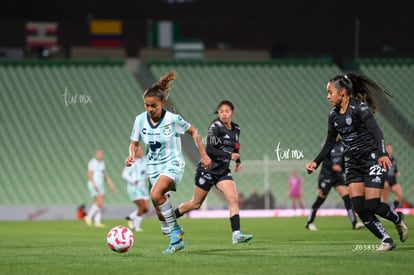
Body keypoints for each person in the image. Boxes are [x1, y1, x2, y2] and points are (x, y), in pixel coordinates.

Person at [305, 73, 408, 251]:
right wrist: (316, 162)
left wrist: (382, 153)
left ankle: (397, 219)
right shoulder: (333, 116)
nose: (328, 96)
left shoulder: (359, 108)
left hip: (371, 160)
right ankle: (386, 240)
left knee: (373, 204)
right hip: (353, 164)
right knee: (359, 207)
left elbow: (377, 132)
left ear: (342, 92)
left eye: (330, 92)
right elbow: (330, 141)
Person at [125, 71, 211, 254]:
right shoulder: (140, 120)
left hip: (173, 164)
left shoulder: (172, 119)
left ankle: (176, 231)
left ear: (162, 103)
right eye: (146, 105)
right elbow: (134, 143)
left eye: (153, 105)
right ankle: (175, 240)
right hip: (153, 167)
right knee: (159, 210)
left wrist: (203, 155)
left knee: (156, 194)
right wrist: (131, 155)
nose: (150, 109)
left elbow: (194, 132)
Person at [173, 100, 253, 244]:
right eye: (221, 111)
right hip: (207, 170)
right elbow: (210, 149)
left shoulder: (236, 128)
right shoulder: (215, 127)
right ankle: (172, 217)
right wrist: (229, 156)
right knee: (195, 204)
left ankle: (236, 234)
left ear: (232, 113)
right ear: (218, 113)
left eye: (226, 111)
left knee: (234, 199)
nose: (224, 114)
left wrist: (238, 161)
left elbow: (236, 146)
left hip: (222, 172)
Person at [305, 136, 364, 231]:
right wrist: (332, 166)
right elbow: (324, 158)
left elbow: (343, 160)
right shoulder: (327, 142)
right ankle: (309, 223)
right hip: (326, 175)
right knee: (320, 200)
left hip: (337, 176)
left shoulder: (342, 143)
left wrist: (344, 171)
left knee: (347, 197)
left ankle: (354, 223)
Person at [85, 149, 115, 227]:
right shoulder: (92, 162)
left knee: (100, 204)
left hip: (100, 184)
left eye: (101, 154)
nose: (100, 155)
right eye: (99, 154)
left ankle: (97, 222)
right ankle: (88, 216)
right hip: (94, 184)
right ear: (96, 155)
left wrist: (110, 184)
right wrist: (94, 183)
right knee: (100, 202)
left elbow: (105, 175)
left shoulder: (102, 163)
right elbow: (89, 173)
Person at [122, 143, 149, 232]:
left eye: (141, 150)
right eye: (138, 150)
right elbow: (125, 174)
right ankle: (136, 227)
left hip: (142, 187)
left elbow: (146, 172)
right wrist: (133, 181)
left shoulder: (145, 160)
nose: (140, 152)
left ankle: (130, 217)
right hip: (134, 187)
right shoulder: (132, 161)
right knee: (141, 207)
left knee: (146, 209)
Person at [381, 144, 403, 209]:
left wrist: (397, 172)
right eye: (388, 148)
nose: (389, 150)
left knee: (400, 193)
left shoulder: (394, 160)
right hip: (385, 180)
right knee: (386, 186)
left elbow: (394, 169)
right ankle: (384, 206)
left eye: (390, 148)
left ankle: (393, 207)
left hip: (393, 181)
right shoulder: (382, 158)